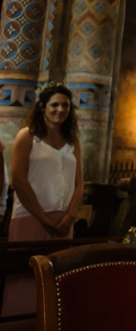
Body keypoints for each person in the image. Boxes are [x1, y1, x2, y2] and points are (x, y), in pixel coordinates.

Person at [9, 83, 83, 241]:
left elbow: (79, 183)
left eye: (66, 105)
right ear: (43, 107)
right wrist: (44, 218)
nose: (61, 110)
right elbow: (18, 180)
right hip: (31, 215)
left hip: (63, 221)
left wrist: (70, 216)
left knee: (60, 265)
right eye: (55, 104)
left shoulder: (73, 140)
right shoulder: (27, 136)